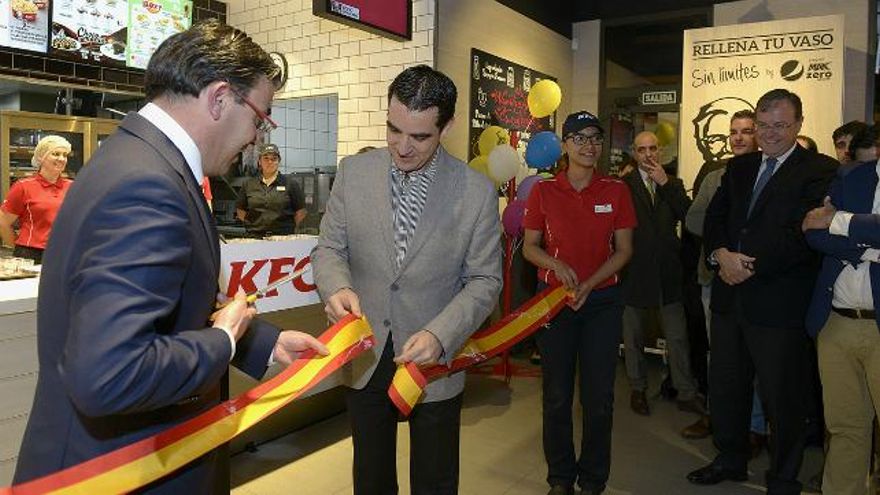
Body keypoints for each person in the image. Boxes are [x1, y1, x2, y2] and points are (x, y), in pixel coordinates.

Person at [13, 20, 327, 493]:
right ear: (220, 98)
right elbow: (110, 373)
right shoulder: (148, 185)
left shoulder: (140, 159)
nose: (257, 139)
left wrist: (256, 342)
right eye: (260, 119)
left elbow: (171, 302)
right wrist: (221, 342)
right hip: (120, 470)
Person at [311, 65, 502, 495]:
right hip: (367, 352)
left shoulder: (476, 192)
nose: (402, 146)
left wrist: (441, 333)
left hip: (433, 360)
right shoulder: (354, 172)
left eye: (419, 137)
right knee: (371, 479)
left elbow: (485, 281)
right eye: (394, 130)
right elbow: (328, 250)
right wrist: (338, 287)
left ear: (446, 126)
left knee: (435, 480)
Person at [687, 88, 837, 494]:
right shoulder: (738, 168)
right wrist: (720, 254)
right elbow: (714, 218)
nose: (770, 134)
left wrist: (746, 264)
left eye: (780, 126)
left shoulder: (820, 169)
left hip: (778, 303)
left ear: (798, 125)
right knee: (727, 387)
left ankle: (783, 476)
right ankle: (730, 458)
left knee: (782, 396)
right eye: (764, 125)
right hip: (729, 299)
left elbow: (804, 232)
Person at [523, 110, 635, 495]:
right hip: (554, 302)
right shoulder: (543, 191)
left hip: (602, 302)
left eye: (596, 138)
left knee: (598, 398)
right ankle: (560, 478)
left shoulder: (616, 191)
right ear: (565, 145)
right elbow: (530, 248)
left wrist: (589, 283)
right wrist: (555, 264)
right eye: (580, 138)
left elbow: (623, 251)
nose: (590, 145)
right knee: (556, 396)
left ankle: (593, 480)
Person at [803, 157, 880, 494]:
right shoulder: (852, 175)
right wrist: (869, 246)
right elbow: (813, 231)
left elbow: (829, 224)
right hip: (836, 322)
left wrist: (839, 220)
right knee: (845, 427)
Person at [682, 109, 759, 441]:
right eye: (733, 132)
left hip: (757, 280)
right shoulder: (715, 177)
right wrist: (726, 240)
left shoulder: (770, 175)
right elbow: (693, 221)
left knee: (757, 357)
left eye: (746, 131)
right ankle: (717, 417)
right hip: (714, 279)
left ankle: (755, 427)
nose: (738, 137)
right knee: (720, 355)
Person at [620, 131, 702, 417]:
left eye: (653, 148)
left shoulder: (674, 184)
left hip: (668, 273)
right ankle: (638, 389)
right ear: (634, 152)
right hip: (634, 272)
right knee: (633, 338)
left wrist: (666, 185)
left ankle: (686, 391)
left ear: (661, 150)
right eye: (642, 150)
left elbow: (690, 218)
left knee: (678, 337)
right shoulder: (623, 186)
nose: (648, 155)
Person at [0, 135, 73, 263]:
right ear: (41, 157)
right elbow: (3, 222)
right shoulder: (24, 186)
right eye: (55, 154)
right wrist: (18, 246)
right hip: (32, 254)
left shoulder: (72, 187)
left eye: (65, 155)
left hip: (65, 251)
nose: (61, 159)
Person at [235, 143, 306, 236]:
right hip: (255, 237)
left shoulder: (291, 184)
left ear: (278, 161)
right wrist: (252, 226)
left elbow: (301, 212)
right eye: (266, 158)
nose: (270, 162)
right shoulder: (248, 184)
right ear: (260, 161)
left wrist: (287, 229)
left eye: (274, 159)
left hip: (283, 239)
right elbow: (240, 210)